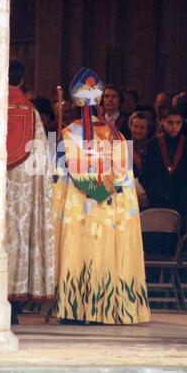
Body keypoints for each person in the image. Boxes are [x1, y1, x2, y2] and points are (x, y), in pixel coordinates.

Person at [53, 68, 150, 325]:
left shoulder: (68, 134)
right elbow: (123, 179)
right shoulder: (116, 134)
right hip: (107, 209)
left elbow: (59, 178)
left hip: (77, 207)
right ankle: (101, 310)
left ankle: (72, 310)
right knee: (101, 251)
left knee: (78, 249)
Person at [6, 59, 55, 324]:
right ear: (22, 81)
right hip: (22, 197)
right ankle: (13, 310)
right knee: (18, 241)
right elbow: (40, 164)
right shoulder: (32, 112)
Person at [139, 108, 187, 231]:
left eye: (178, 123)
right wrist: (159, 195)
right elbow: (145, 175)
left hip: (180, 200)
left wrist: (182, 195)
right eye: (170, 122)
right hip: (158, 199)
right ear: (162, 121)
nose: (174, 127)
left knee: (178, 236)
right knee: (157, 234)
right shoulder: (152, 145)